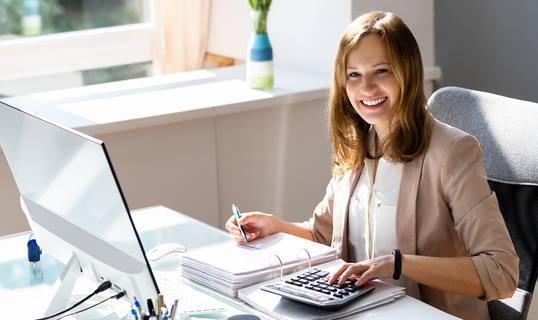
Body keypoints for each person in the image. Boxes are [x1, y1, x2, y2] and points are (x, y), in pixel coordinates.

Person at [225, 11, 518, 320]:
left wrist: (397, 264)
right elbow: (324, 234)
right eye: (354, 74)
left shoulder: (451, 152)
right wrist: (276, 227)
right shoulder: (356, 147)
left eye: (381, 71)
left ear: (408, 71)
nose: (366, 87)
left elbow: (501, 271)